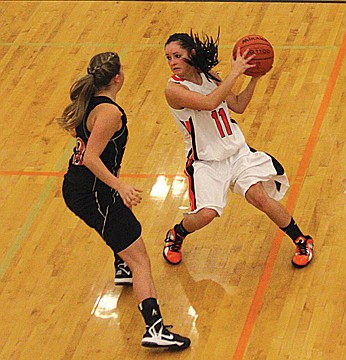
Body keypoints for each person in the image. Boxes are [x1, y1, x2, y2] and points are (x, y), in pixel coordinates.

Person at [57, 51, 190, 350]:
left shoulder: (91, 101)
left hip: (84, 189)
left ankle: (121, 265)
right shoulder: (109, 113)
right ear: (118, 77)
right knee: (141, 259)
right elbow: (91, 157)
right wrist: (120, 186)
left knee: (123, 234)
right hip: (93, 193)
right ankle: (154, 328)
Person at [162, 31, 314, 269]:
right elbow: (209, 103)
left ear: (191, 54)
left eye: (177, 56)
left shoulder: (209, 76)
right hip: (206, 161)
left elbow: (239, 105)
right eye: (168, 58)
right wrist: (234, 72)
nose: (172, 63)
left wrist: (255, 77)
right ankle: (177, 234)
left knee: (260, 197)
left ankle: (301, 240)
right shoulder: (174, 90)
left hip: (236, 152)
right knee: (207, 214)